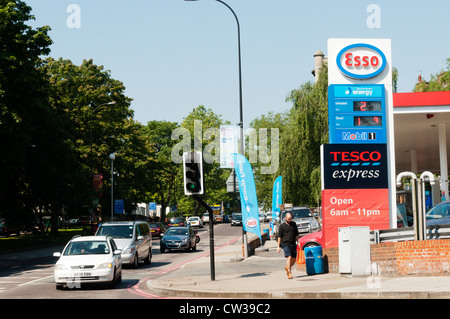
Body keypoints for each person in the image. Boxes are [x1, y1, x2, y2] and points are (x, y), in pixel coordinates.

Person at [277, 212, 299, 279]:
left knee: (294, 260)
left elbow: (296, 234)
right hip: (286, 244)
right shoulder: (282, 226)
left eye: (290, 219)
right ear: (285, 218)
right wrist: (278, 246)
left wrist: (298, 242)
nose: (289, 220)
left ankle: (287, 267)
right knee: (289, 257)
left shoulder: (293, 224)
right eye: (288, 219)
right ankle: (289, 272)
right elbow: (279, 237)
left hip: (293, 244)